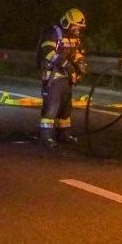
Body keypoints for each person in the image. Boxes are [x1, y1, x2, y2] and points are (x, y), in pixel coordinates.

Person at [37, 8, 88, 147]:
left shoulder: (74, 37)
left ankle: (63, 134)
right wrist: (66, 65)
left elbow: (76, 53)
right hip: (53, 74)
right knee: (52, 105)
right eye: (76, 26)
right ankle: (45, 136)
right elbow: (47, 52)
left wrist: (80, 66)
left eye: (80, 27)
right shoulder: (53, 33)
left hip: (66, 76)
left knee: (66, 106)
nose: (78, 29)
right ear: (67, 22)